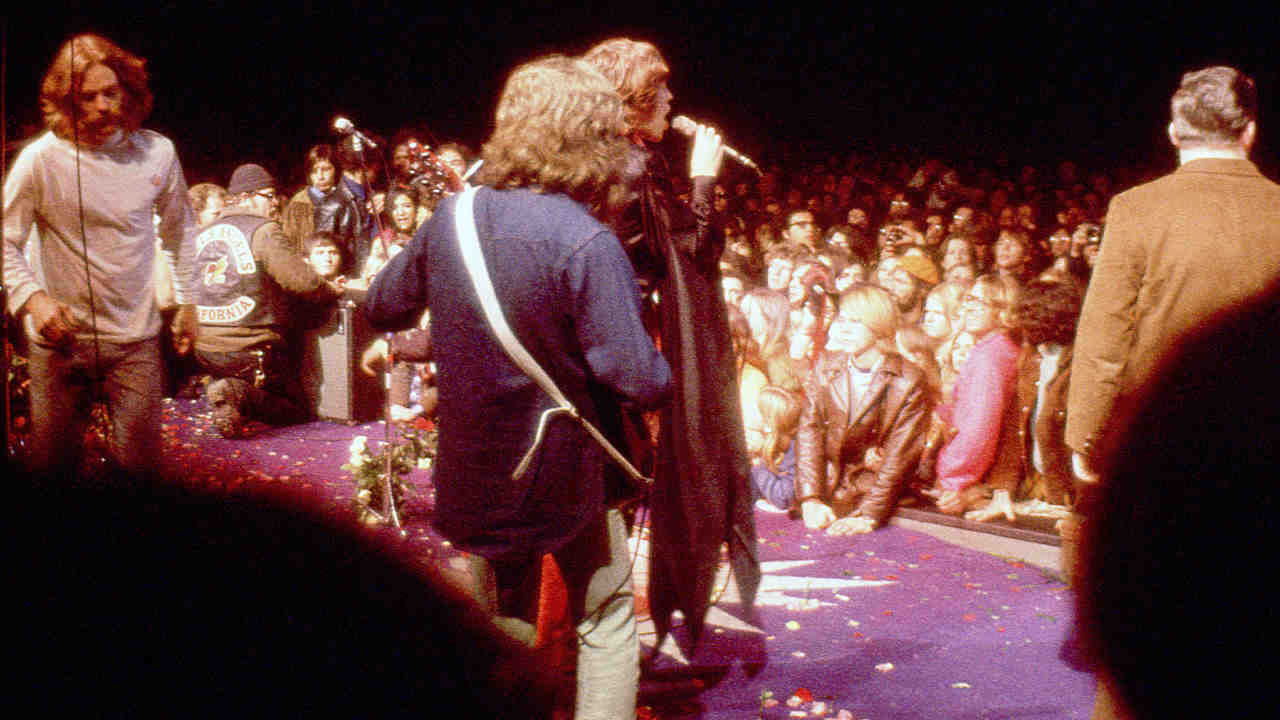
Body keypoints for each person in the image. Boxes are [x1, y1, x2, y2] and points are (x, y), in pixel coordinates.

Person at [364, 55, 672, 720]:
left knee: (498, 624)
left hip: (476, 465)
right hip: (564, 476)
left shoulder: (456, 215)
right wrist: (670, 371)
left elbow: (382, 306)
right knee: (607, 618)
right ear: (590, 136)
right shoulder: (586, 241)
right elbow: (635, 376)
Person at [583, 37, 759, 656]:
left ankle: (594, 634)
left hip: (597, 330)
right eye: (661, 88)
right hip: (625, 336)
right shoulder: (632, 165)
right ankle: (605, 644)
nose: (672, 97)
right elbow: (690, 254)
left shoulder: (595, 156)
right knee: (627, 480)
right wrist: (705, 179)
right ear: (633, 98)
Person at [1067, 65, 1280, 478]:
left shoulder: (1136, 208)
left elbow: (1106, 331)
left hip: (1162, 432)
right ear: (1249, 132)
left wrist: (1087, 434)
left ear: (1174, 133)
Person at [3, 34, 198, 477]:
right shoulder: (39, 161)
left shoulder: (158, 153)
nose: (102, 107)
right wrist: (34, 299)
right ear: (66, 101)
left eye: (111, 93)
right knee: (53, 473)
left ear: (130, 92)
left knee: (141, 475)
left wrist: (189, 301)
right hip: (58, 343)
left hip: (135, 341)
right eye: (86, 97)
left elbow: (180, 230)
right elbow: (5, 239)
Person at [194, 163, 342, 438]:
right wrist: (331, 290)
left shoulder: (202, 234)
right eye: (269, 195)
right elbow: (304, 282)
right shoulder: (263, 231)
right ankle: (238, 392)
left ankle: (221, 383)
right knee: (297, 410)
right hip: (250, 350)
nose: (275, 203)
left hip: (205, 349)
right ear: (247, 196)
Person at [794, 283, 931, 535]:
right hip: (826, 489)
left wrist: (869, 515)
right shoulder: (826, 364)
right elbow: (808, 432)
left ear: (879, 326)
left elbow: (899, 457)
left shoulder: (910, 380)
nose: (843, 328)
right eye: (842, 319)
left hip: (874, 494)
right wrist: (810, 498)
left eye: (855, 321)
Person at [749, 385, 802, 513]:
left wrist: (757, 464)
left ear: (768, 422)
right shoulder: (771, 445)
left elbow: (783, 499)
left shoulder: (794, 451)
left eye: (756, 411)